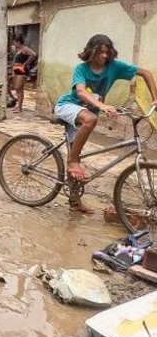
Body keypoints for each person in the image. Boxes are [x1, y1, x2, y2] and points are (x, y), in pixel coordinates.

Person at [54, 34, 157, 213]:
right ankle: (72, 160)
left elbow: (145, 73)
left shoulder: (114, 67)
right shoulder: (82, 68)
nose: (104, 56)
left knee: (79, 143)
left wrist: (155, 99)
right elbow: (80, 92)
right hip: (67, 106)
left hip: (85, 113)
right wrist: (101, 105)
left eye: (107, 52)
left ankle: (74, 201)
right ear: (91, 51)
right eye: (100, 52)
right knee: (90, 122)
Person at [10, 34, 36, 113]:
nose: (14, 44)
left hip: (22, 70)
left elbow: (33, 55)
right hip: (17, 70)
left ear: (18, 42)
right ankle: (18, 106)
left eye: (15, 43)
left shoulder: (25, 49)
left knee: (19, 87)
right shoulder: (18, 50)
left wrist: (25, 64)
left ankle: (20, 107)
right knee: (18, 89)